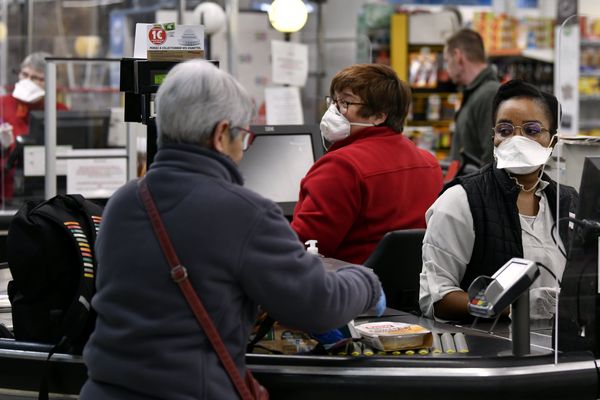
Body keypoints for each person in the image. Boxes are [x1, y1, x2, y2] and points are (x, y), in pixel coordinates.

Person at [80, 60, 385, 399]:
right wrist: (367, 283)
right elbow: (317, 304)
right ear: (220, 134)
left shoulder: (124, 201)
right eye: (244, 135)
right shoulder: (245, 212)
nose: (243, 147)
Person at [419, 80, 579, 322]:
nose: (517, 140)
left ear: (553, 142)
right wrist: (513, 307)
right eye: (505, 130)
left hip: (561, 347)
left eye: (531, 130)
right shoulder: (460, 201)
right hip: (489, 347)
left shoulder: (570, 202)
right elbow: (438, 298)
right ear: (493, 137)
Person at [291, 64, 443, 264]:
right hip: (408, 290)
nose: (333, 111)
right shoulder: (429, 163)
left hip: (347, 287)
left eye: (345, 102)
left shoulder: (341, 166)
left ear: (379, 115)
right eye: (334, 101)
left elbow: (302, 246)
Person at [0, 52, 68, 204]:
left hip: (49, 194)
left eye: (37, 78)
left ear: (51, 82)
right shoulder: (2, 105)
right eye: (24, 74)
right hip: (8, 195)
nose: (27, 81)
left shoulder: (60, 111)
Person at [444, 28, 500, 166]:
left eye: (447, 60)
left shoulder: (489, 94)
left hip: (478, 186)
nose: (446, 69)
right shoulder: (476, 93)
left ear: (458, 56)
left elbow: (491, 159)